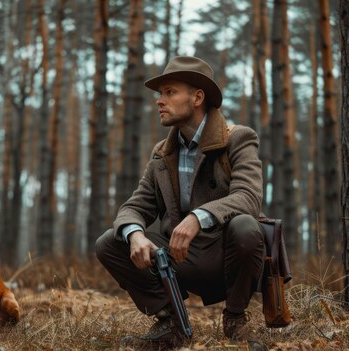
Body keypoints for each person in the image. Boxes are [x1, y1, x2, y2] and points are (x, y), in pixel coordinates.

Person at [95, 56, 266, 350]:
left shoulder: (237, 138)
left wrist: (198, 217)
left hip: (223, 256)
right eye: (160, 94)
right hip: (178, 258)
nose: (160, 101)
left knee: (247, 226)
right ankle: (171, 324)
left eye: (170, 92)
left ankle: (236, 319)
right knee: (111, 241)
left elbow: (248, 197)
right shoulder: (162, 152)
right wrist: (135, 233)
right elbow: (135, 206)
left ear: (197, 97)